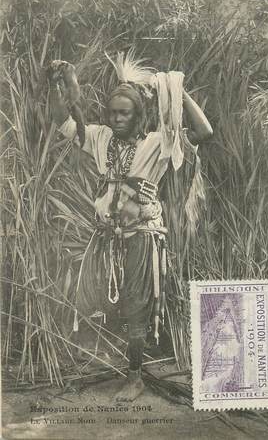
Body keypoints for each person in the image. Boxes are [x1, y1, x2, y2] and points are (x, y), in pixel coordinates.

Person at [48, 54, 213, 402]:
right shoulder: (99, 138)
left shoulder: (157, 143)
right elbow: (62, 119)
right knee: (94, 296)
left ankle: (135, 376)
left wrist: (176, 90)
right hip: (107, 237)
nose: (117, 118)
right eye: (112, 112)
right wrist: (58, 85)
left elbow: (203, 131)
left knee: (137, 305)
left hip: (142, 237)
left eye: (125, 113)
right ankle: (93, 359)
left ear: (138, 117)